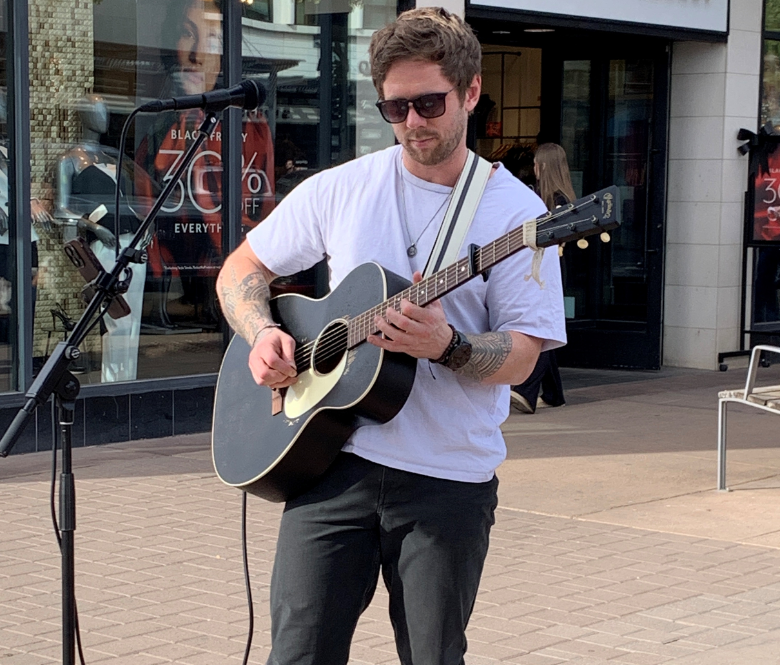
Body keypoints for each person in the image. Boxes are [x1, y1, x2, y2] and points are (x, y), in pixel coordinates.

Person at [216, 8, 565, 664]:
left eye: (429, 104)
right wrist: (262, 331)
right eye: (395, 108)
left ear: (470, 91)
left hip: (446, 481)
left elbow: (522, 356)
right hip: (330, 465)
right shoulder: (345, 188)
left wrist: (450, 346)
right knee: (296, 655)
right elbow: (243, 268)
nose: (412, 123)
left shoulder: (515, 214)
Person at [137, 0, 275, 326]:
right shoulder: (154, 130)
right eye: (188, 34)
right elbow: (148, 223)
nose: (198, 53)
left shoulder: (251, 128)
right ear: (172, 45)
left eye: (212, 40)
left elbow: (262, 214)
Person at [509, 142, 574, 414]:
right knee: (547, 325)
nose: (533, 168)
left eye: (536, 163)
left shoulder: (559, 202)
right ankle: (554, 393)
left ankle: (525, 390)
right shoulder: (544, 198)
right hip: (544, 269)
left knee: (542, 327)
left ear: (543, 166)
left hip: (549, 271)